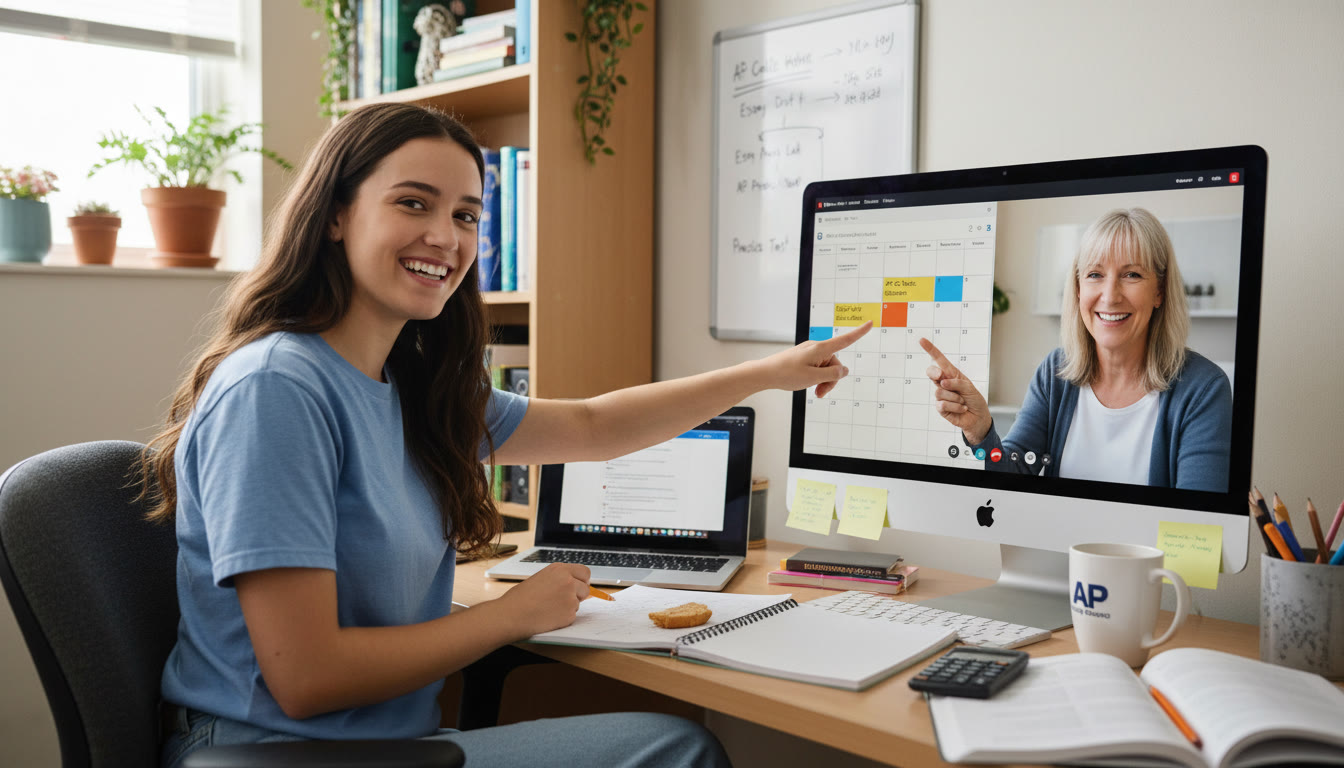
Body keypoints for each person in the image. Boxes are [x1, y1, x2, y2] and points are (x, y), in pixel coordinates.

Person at [140, 102, 870, 768]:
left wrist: (769, 374)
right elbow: (305, 678)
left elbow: (592, 427)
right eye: (412, 203)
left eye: (465, 215)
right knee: (672, 751)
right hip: (277, 752)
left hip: (383, 742)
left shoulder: (409, 384)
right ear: (335, 215)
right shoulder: (278, 390)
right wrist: (510, 615)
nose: (444, 236)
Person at [920, 207, 1231, 492]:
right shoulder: (1055, 372)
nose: (1110, 296)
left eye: (1132, 275)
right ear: (1079, 288)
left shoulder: (1203, 388)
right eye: (1095, 275)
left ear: (1160, 292)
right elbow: (1011, 474)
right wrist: (980, 430)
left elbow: (1199, 525)